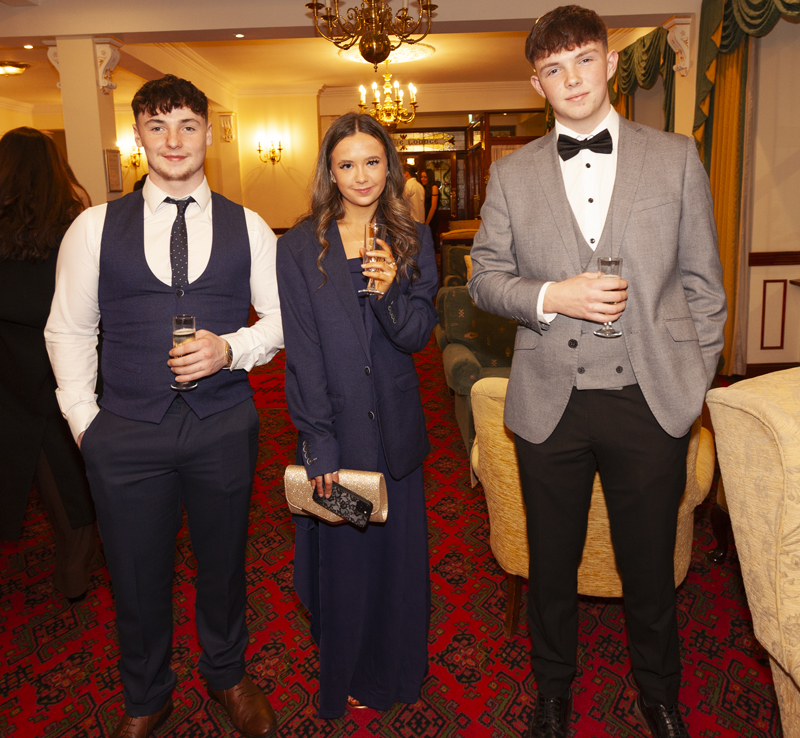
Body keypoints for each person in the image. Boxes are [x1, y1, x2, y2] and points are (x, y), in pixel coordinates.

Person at [468, 6, 727, 738]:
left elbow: (705, 288)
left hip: (651, 399)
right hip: (551, 401)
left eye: (583, 59)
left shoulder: (675, 157)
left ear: (610, 63)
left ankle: (659, 693)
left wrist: (690, 385)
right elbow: (483, 278)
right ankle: (553, 691)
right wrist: (552, 296)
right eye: (554, 69)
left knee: (650, 564)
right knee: (550, 565)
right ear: (537, 84)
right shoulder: (510, 175)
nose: (572, 79)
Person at [45, 75, 283, 738]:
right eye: (157, 126)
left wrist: (231, 348)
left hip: (223, 426)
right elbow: (68, 330)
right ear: (138, 136)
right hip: (123, 431)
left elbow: (280, 319)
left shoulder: (249, 226)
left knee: (225, 564)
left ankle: (227, 674)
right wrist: (85, 424)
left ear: (208, 133)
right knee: (134, 574)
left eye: (186, 125)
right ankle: (147, 695)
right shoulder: (93, 228)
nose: (173, 140)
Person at [276, 112, 438, 719]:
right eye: (347, 164)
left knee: (397, 565)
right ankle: (348, 668)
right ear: (330, 172)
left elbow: (416, 336)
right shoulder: (299, 246)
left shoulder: (414, 238)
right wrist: (318, 442)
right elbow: (303, 354)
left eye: (372, 161)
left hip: (396, 437)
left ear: (389, 166)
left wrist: (392, 290)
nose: (361, 175)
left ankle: (394, 671)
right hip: (337, 437)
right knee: (347, 565)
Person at [0, 127, 96, 603]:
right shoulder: (73, 226)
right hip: (66, 357)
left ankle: (74, 561)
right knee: (73, 462)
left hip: (11, 365)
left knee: (34, 464)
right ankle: (79, 562)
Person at [419, 168, 439, 238]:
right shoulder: (423, 188)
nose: (422, 179)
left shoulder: (434, 187)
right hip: (424, 218)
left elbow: (433, 207)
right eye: (421, 177)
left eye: (425, 177)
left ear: (430, 178)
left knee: (431, 239)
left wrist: (427, 223)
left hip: (431, 219)